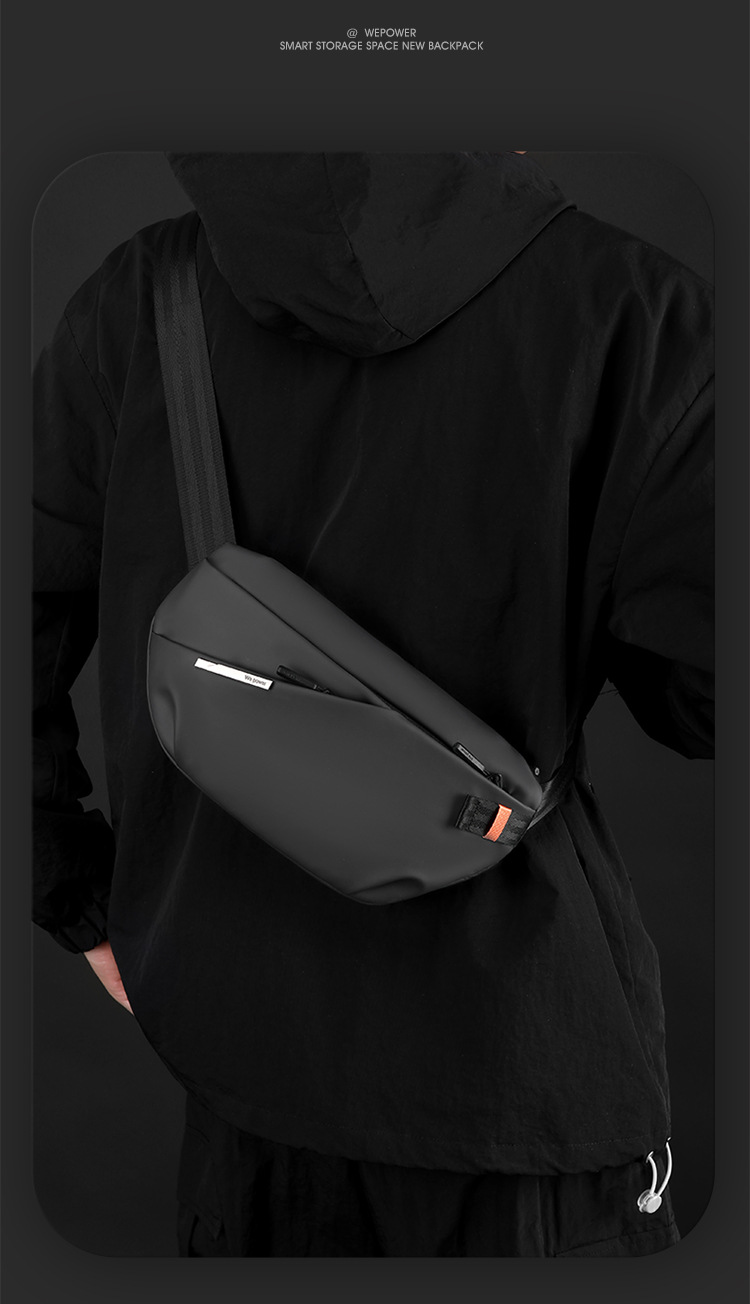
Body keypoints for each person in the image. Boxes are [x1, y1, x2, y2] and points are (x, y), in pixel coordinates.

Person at [33, 152, 714, 1257]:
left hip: (239, 1096)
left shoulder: (139, 294)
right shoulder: (632, 309)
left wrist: (71, 889)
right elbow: (699, 704)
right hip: (518, 1093)